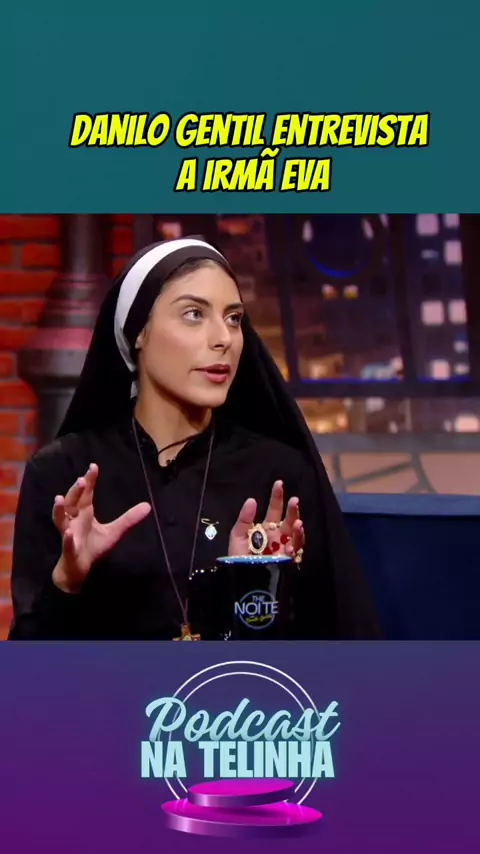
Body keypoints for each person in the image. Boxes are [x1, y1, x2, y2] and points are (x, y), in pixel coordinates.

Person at [8, 237, 381, 641]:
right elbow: (29, 668)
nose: (224, 338)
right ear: (138, 332)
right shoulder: (63, 474)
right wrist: (67, 580)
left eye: (234, 318)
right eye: (193, 314)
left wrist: (258, 588)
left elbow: (328, 655)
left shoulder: (278, 476)